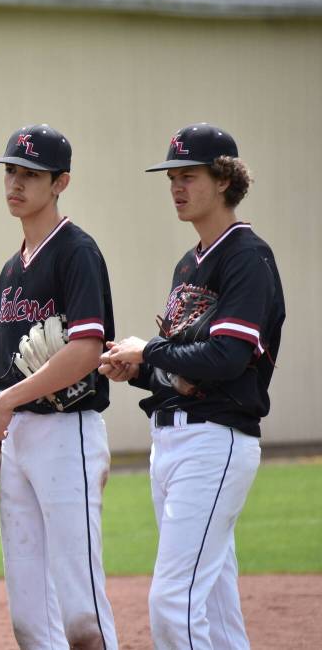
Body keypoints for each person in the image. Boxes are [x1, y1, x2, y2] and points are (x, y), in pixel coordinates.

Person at [100, 123, 285, 649]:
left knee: (171, 603)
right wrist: (135, 368)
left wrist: (149, 350)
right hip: (173, 441)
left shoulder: (247, 257)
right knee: (218, 610)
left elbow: (227, 357)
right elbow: (183, 367)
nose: (177, 187)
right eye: (172, 177)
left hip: (216, 441)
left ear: (224, 179)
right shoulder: (190, 262)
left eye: (189, 176)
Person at [0, 124, 119, 649]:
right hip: (22, 439)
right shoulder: (12, 270)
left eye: (31, 174)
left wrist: (7, 402)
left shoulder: (77, 252)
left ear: (60, 183)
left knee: (82, 611)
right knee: (30, 617)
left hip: (67, 433)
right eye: (11, 171)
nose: (16, 183)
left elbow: (87, 349)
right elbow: (5, 370)